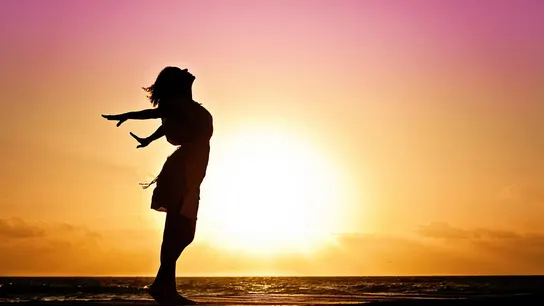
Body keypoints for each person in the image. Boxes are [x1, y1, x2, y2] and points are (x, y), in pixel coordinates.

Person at [102, 67, 213, 305]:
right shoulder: (177, 104)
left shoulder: (185, 108)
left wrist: (148, 139)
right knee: (179, 230)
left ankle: (163, 286)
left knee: (182, 232)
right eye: (180, 71)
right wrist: (127, 115)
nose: (187, 69)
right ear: (177, 83)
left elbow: (165, 125)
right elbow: (153, 115)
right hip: (182, 172)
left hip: (188, 172)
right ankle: (164, 288)